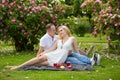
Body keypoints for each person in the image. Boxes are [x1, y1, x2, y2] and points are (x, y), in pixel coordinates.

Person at [5, 25, 99, 70]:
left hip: (61, 58)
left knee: (41, 62)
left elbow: (76, 51)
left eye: (61, 30)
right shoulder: (58, 40)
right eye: (59, 31)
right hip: (54, 54)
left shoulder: (72, 39)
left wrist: (83, 59)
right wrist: (44, 52)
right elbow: (51, 49)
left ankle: (17, 66)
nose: (60, 31)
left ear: (66, 30)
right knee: (39, 60)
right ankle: (18, 66)